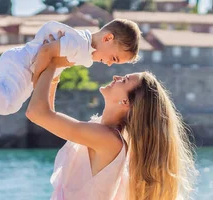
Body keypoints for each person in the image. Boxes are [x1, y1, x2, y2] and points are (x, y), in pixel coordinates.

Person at [26, 35, 197, 200]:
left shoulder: (107, 139)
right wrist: (55, 70)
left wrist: (53, 61)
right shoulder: (106, 134)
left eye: (123, 80)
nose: (116, 76)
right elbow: (46, 112)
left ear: (125, 102)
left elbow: (37, 113)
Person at [0, 19, 141, 115]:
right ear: (108, 38)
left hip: (20, 62)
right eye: (114, 58)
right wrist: (37, 85)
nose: (109, 64)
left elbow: (55, 73)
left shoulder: (83, 49)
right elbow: (45, 52)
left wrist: (49, 106)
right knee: (6, 106)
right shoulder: (78, 44)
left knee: (9, 104)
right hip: (23, 64)